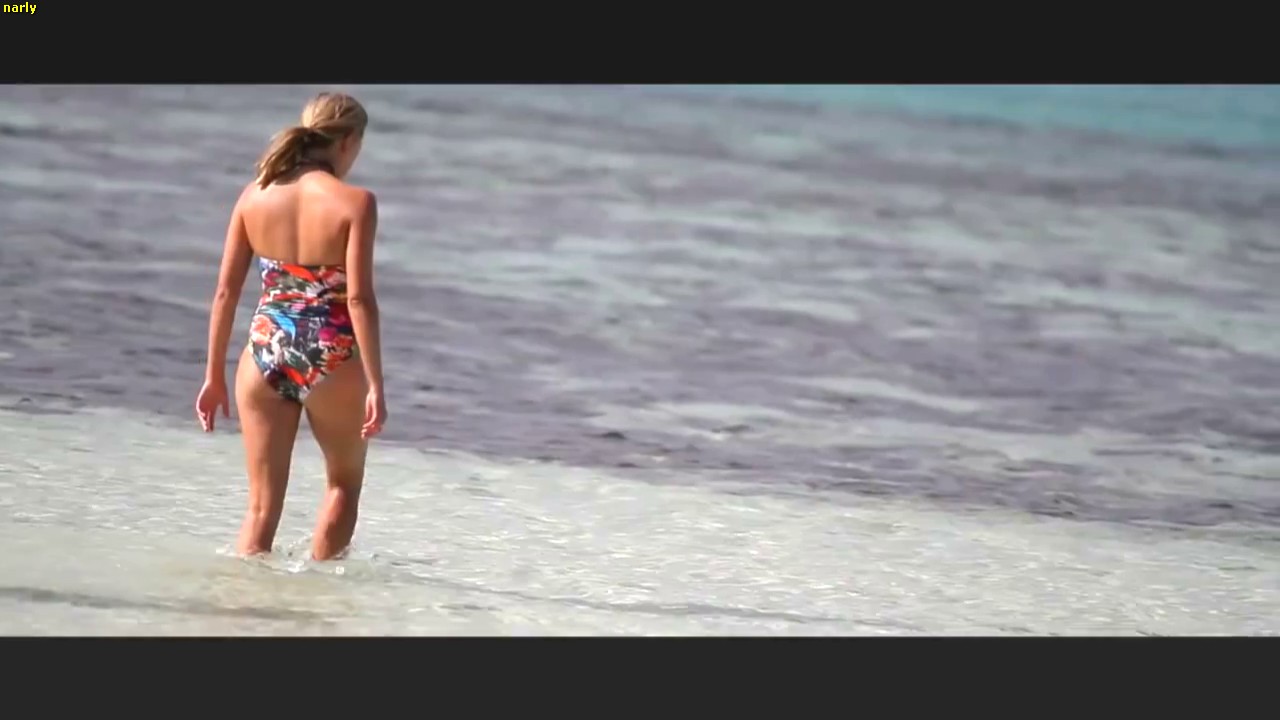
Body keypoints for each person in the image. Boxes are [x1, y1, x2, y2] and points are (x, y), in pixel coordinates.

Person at [195, 92, 387, 561]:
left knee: (261, 508)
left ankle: (244, 598)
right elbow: (359, 299)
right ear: (348, 142)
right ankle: (318, 596)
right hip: (331, 355)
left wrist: (213, 376)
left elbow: (225, 293)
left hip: (264, 352)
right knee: (342, 486)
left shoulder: (254, 195)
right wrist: (376, 385)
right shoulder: (356, 203)